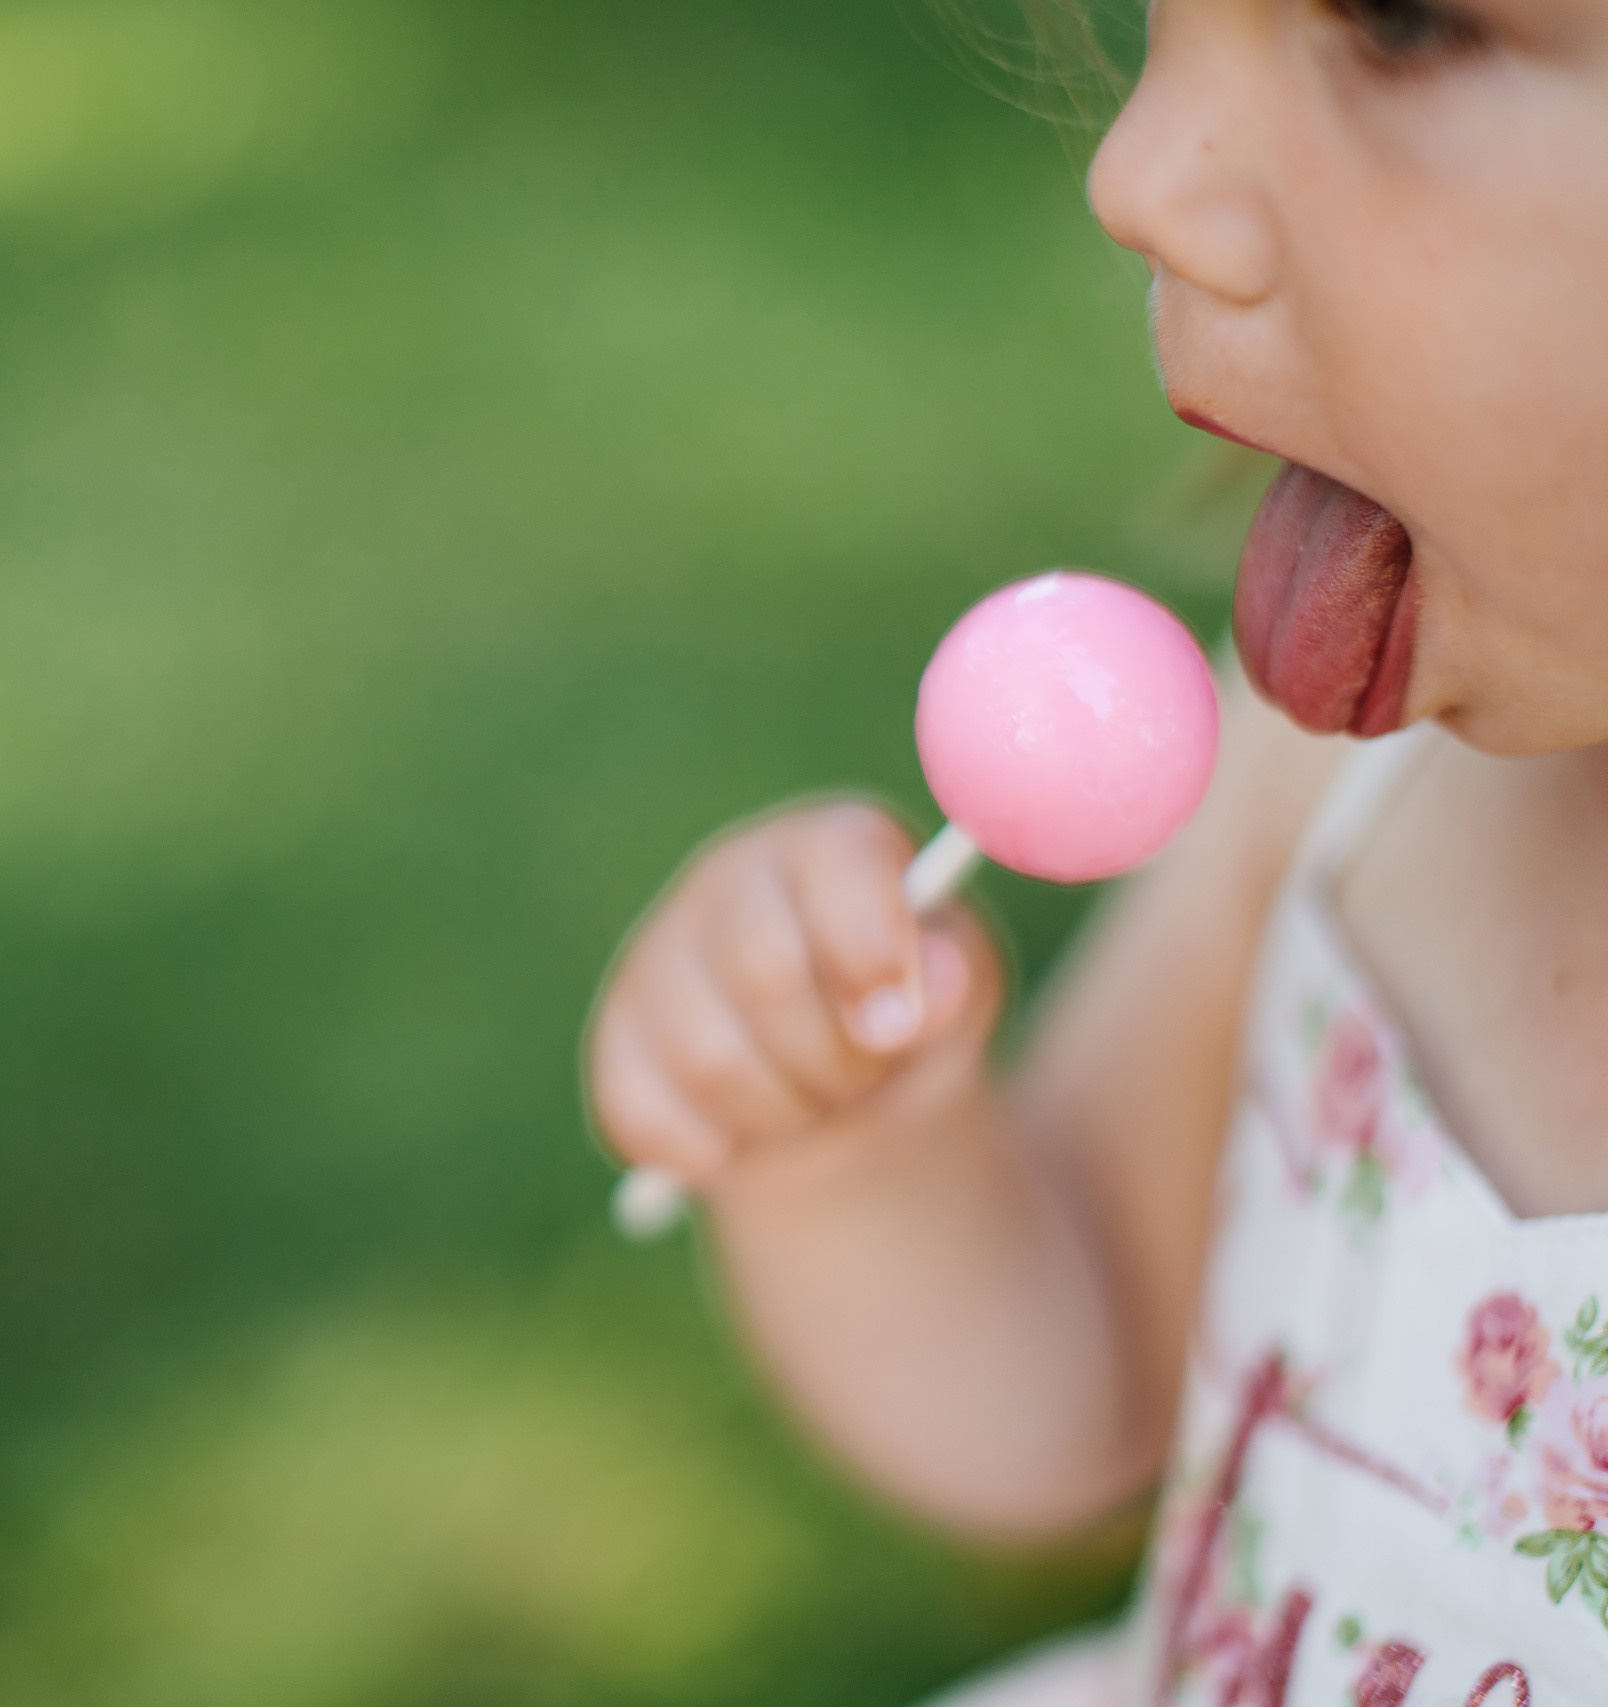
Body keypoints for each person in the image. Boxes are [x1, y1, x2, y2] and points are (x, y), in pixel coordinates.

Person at [583, 2, 1608, 1702]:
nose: (1136, 176)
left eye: (1401, 22)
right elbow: (1083, 1360)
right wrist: (860, 1162)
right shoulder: (1330, 786)